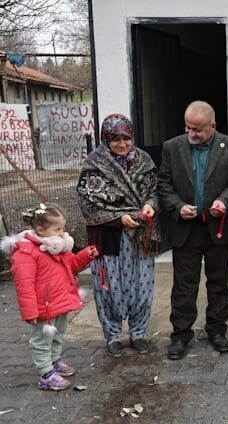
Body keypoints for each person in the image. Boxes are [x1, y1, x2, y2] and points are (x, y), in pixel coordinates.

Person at [158, 100, 228, 360]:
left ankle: (217, 330)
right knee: (184, 284)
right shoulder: (172, 147)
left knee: (219, 282)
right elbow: (163, 183)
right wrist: (177, 206)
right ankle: (181, 334)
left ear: (213, 125)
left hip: (218, 226)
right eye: (188, 128)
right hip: (186, 227)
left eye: (197, 129)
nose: (192, 134)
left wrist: (225, 201)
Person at [77, 114, 160, 357]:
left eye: (126, 138)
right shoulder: (94, 164)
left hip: (141, 233)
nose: (122, 145)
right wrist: (118, 219)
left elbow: (155, 191)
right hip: (108, 237)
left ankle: (139, 332)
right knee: (108, 288)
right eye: (116, 140)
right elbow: (87, 203)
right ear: (106, 139)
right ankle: (112, 335)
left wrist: (150, 206)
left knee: (142, 285)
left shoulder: (144, 160)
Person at [1, 203, 98, 390]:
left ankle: (54, 360)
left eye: (63, 228)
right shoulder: (26, 253)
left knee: (58, 334)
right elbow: (24, 284)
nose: (63, 233)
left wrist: (86, 255)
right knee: (41, 340)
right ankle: (45, 373)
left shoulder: (57, 248)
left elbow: (73, 265)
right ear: (40, 230)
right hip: (43, 307)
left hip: (59, 302)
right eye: (58, 229)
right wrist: (30, 311)